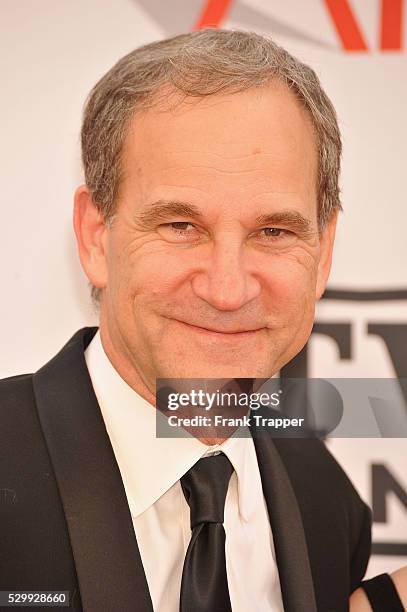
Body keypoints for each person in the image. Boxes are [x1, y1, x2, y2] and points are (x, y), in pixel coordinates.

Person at [0, 29, 373, 612]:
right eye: (180, 226)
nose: (228, 290)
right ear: (96, 237)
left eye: (273, 231)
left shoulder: (329, 503)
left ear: (323, 253)